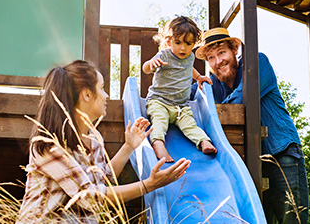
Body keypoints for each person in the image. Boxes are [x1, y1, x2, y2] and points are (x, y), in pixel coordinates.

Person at [17, 60, 190, 223]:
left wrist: (128, 147)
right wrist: (149, 185)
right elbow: (90, 198)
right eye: (102, 88)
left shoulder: (93, 137)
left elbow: (103, 180)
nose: (106, 95)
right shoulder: (50, 145)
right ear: (87, 94)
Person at [192, 28, 310, 224]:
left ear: (235, 49)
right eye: (211, 58)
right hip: (250, 163)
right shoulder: (213, 82)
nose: (218, 61)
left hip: (281, 154)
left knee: (292, 220)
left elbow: (242, 99)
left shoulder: (257, 63)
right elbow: (189, 97)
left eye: (222, 53)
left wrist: (216, 107)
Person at [142, 16, 216, 163]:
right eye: (178, 43)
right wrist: (151, 64)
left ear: (194, 44)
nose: (183, 48)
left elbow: (189, 69)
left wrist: (199, 77)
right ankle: (158, 143)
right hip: (159, 101)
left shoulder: (190, 58)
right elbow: (145, 69)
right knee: (159, 121)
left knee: (190, 123)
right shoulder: (164, 55)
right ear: (169, 42)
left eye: (188, 44)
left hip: (181, 106)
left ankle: (203, 141)